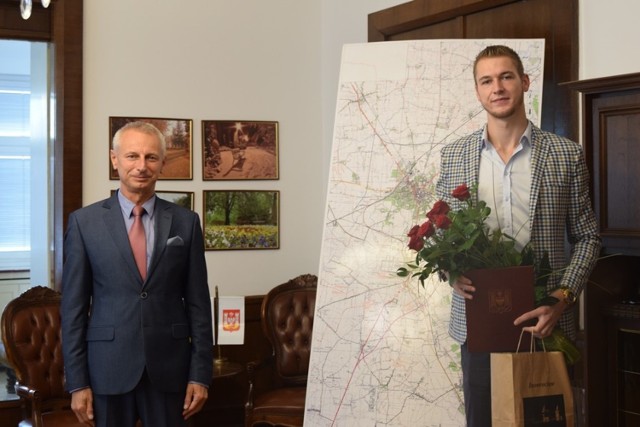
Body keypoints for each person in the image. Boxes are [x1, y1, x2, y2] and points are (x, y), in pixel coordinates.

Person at [435, 45, 601, 426]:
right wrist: (451, 272)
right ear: (478, 92)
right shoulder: (454, 156)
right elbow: (441, 232)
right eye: (487, 80)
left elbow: (589, 237)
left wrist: (562, 299)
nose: (498, 87)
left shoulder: (565, 154)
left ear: (525, 82)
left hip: (545, 322)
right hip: (478, 324)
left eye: (507, 76)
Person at [61, 121, 213, 427]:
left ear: (162, 163)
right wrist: (77, 383)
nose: (141, 166)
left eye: (150, 157)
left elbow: (199, 305)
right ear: (114, 159)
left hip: (171, 369)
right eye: (132, 156)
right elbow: (73, 310)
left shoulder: (186, 223)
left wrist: (200, 375)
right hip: (107, 369)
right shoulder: (84, 223)